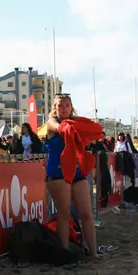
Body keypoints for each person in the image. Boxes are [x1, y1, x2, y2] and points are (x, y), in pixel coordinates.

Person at [45, 94, 101, 259]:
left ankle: (93, 253)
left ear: (71, 107)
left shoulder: (76, 123)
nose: (64, 109)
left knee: (86, 213)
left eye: (67, 105)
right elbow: (60, 128)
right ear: (55, 108)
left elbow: (96, 131)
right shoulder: (51, 123)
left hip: (76, 171)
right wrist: (74, 128)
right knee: (64, 213)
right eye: (60, 106)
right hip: (57, 172)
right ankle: (64, 252)